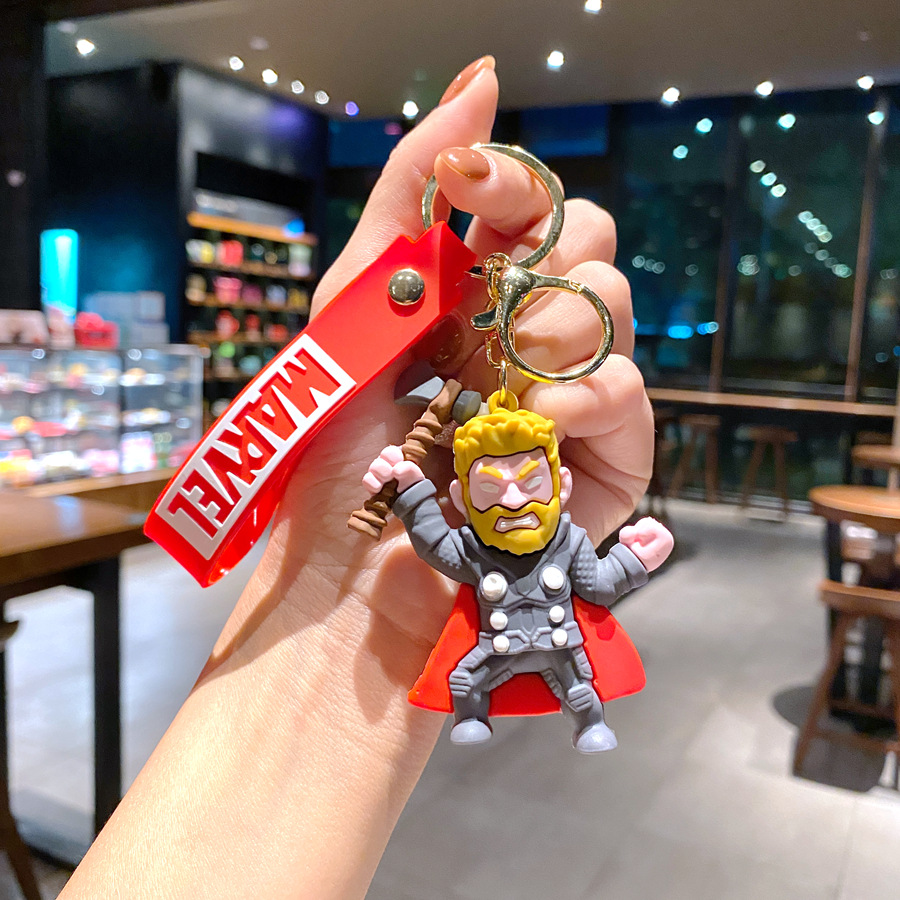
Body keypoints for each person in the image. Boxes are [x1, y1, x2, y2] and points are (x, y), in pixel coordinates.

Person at [60, 56, 656, 899]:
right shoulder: (456, 510)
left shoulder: (534, 525)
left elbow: (577, 571)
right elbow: (437, 539)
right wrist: (345, 571)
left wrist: (622, 556)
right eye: (497, 485)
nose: (516, 495)